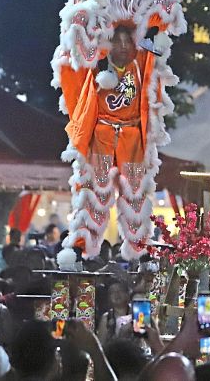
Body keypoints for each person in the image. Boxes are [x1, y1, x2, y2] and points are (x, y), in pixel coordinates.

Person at [60, 23, 163, 258]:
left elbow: (157, 33)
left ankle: (139, 248)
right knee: (95, 190)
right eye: (118, 41)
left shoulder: (141, 65)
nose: (124, 46)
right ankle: (82, 246)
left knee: (136, 192)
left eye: (128, 41)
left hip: (132, 137)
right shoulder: (97, 66)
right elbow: (73, 62)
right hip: (102, 136)